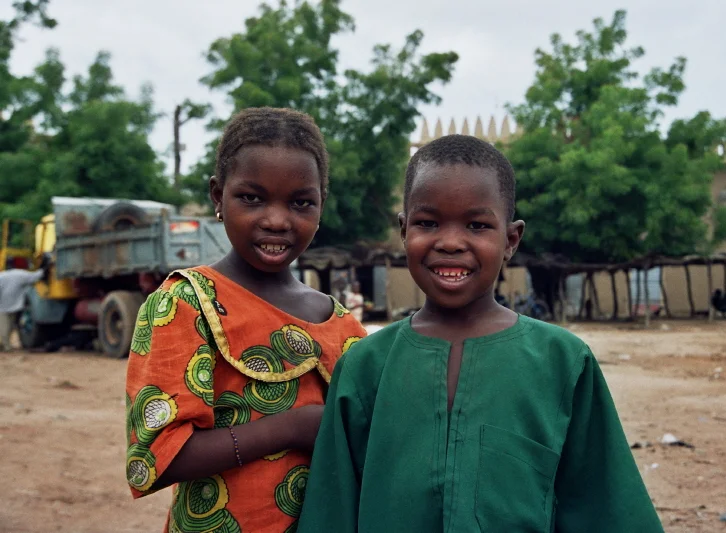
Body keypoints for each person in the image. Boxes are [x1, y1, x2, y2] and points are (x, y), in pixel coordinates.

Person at [298, 135, 662, 532]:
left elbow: (604, 506)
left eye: (476, 224)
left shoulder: (562, 362)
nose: (451, 242)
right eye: (428, 223)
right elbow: (331, 511)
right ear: (403, 230)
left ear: (510, 239)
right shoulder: (365, 366)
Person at [125, 107, 367, 533]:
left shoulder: (343, 326)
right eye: (252, 198)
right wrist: (292, 427)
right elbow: (156, 460)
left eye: (300, 202)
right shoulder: (186, 303)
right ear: (218, 197)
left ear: (321, 206)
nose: (276, 220)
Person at [0, 256, 49, 351]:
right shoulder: (21, 274)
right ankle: (6, 347)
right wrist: (45, 265)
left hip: (3, 306)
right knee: (8, 327)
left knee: (4, 328)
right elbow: (37, 276)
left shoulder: (2, 276)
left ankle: (5, 346)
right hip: (13, 306)